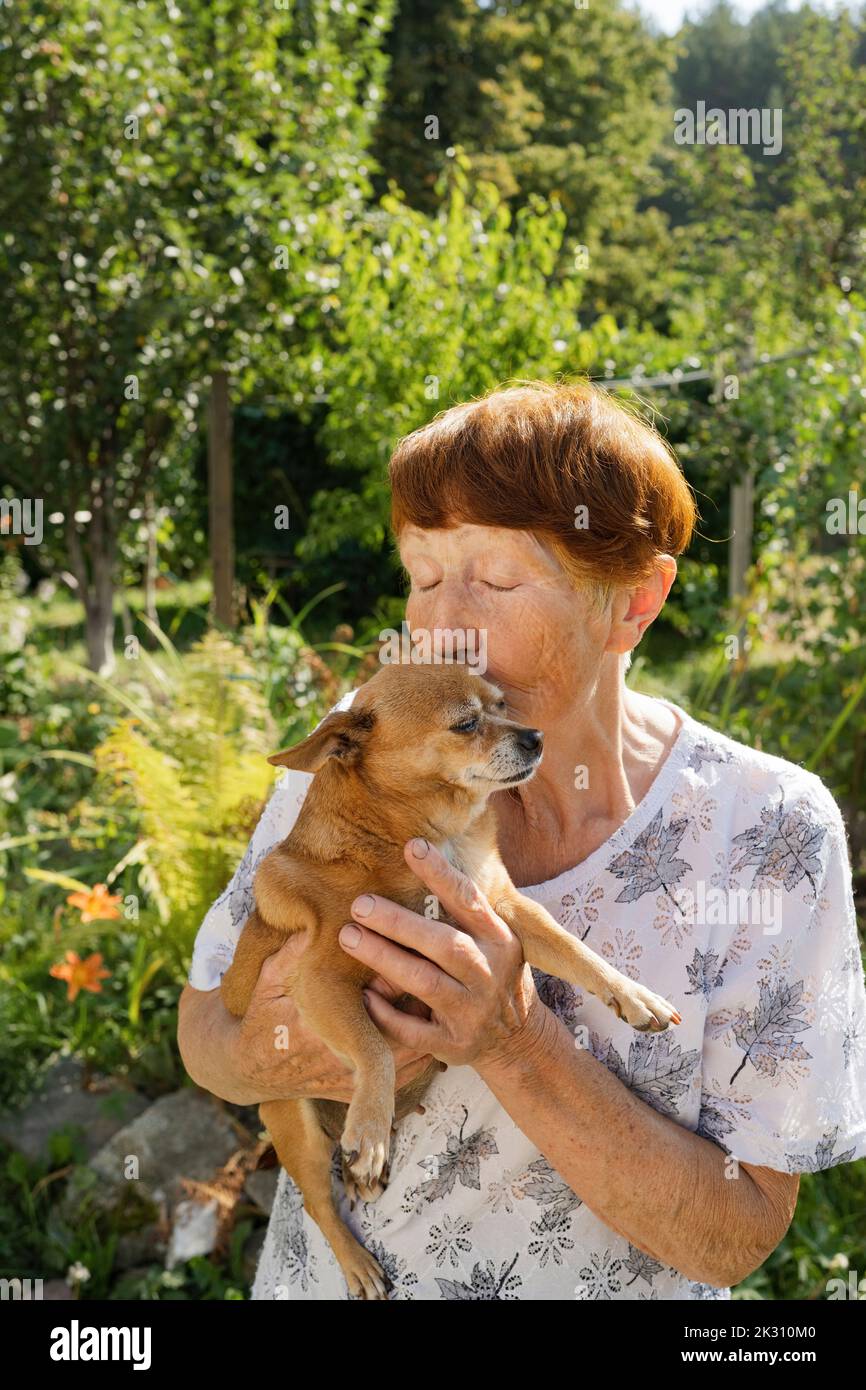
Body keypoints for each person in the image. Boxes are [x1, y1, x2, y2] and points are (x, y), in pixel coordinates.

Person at [178, 379, 866, 1300]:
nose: (443, 626)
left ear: (634, 601)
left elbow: (735, 1237)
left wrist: (516, 1043)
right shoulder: (366, 748)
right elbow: (203, 1037)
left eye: (497, 580)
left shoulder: (767, 833)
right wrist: (287, 1044)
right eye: (423, 577)